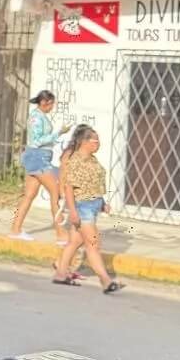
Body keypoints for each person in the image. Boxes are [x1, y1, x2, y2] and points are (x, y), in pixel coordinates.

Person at [53, 126, 124, 294]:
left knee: (74, 242)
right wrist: (73, 212)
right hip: (82, 207)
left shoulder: (92, 160)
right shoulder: (75, 161)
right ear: (84, 142)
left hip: (92, 206)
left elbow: (95, 185)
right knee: (93, 245)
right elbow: (69, 188)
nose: (98, 144)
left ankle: (61, 274)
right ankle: (105, 281)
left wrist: (102, 203)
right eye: (95, 141)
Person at [9, 91, 64, 240]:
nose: (53, 107)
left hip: (37, 157)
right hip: (38, 157)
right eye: (52, 104)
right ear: (45, 102)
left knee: (29, 195)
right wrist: (57, 134)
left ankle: (15, 229)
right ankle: (61, 233)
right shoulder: (36, 117)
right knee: (55, 192)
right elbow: (37, 140)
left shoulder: (39, 116)